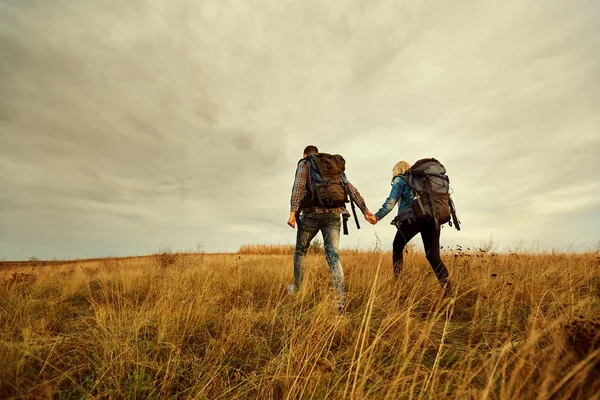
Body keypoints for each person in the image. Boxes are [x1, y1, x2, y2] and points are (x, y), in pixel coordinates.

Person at [287, 145, 373, 312]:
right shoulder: (333, 167)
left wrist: (292, 213)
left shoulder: (305, 163)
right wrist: (365, 210)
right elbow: (349, 188)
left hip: (311, 215)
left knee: (301, 251)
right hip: (334, 215)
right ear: (318, 154)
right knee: (333, 256)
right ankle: (339, 302)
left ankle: (297, 290)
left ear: (306, 154)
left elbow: (298, 187)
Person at [367, 160, 452, 293]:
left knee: (397, 247)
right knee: (433, 256)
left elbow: (391, 201)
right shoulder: (423, 181)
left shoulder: (401, 179)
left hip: (413, 219)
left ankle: (398, 283)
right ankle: (449, 290)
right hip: (432, 218)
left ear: (396, 170)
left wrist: (377, 216)